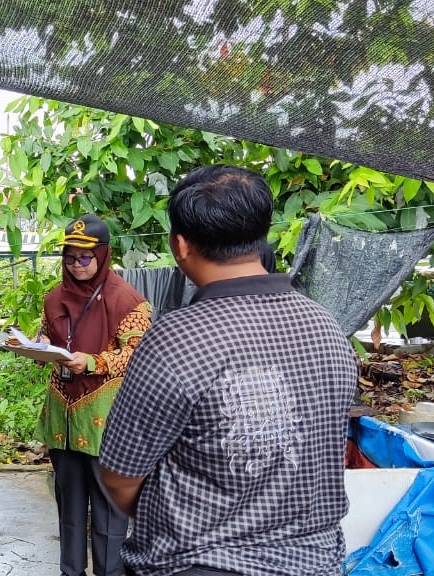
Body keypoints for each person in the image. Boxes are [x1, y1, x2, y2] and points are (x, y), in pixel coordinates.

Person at [98, 165, 358, 576]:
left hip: (199, 564)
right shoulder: (325, 325)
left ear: (180, 244)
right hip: (314, 562)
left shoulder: (177, 338)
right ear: (261, 235)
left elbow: (120, 476)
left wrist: (171, 519)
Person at [35, 214, 151, 576]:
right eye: (70, 257)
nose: (77, 265)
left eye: (85, 257)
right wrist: (37, 345)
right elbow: (46, 334)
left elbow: (139, 354)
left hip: (106, 418)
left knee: (108, 510)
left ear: (102, 254)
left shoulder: (128, 301)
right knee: (68, 506)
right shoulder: (55, 298)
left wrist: (94, 361)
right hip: (63, 418)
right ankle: (70, 571)